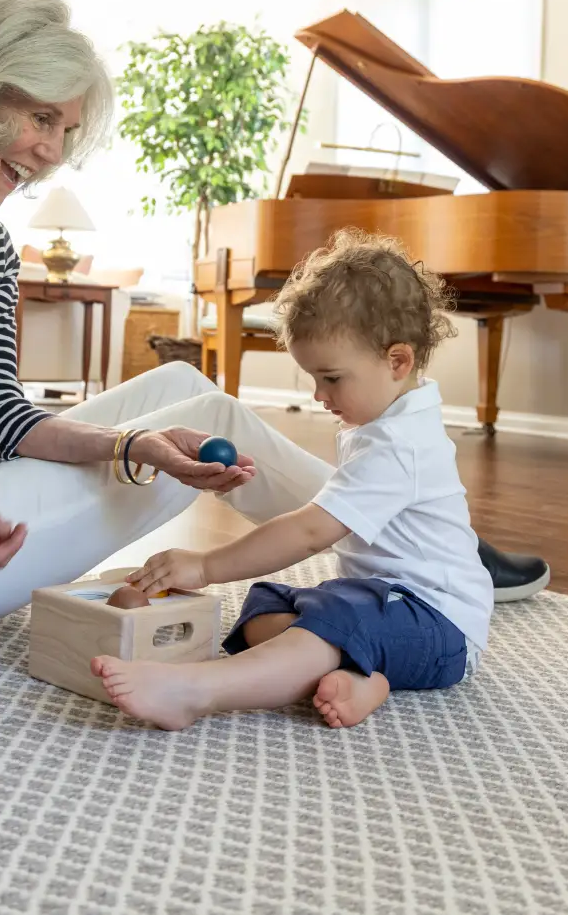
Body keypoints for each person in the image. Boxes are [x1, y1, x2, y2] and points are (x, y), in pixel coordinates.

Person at [0, 0, 546, 641]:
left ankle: (390, 520)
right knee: (204, 410)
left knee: (179, 388)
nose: (51, 152)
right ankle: (420, 534)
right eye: (38, 117)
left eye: (66, 129)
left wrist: (126, 446)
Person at [96, 231, 490, 731]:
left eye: (332, 378)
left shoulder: (401, 444)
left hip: (440, 625)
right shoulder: (381, 419)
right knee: (265, 607)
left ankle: (197, 692)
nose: (319, 395)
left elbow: (309, 533)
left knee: (336, 617)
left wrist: (207, 565)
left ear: (398, 361)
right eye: (314, 379)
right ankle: (364, 672)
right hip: (381, 600)